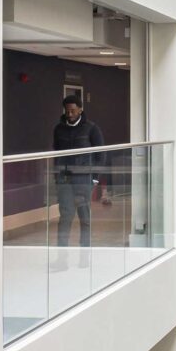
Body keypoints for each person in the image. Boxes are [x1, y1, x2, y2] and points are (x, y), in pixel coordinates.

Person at [52, 95, 105, 248]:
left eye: (73, 111)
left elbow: (100, 154)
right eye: (67, 111)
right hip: (64, 180)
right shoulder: (58, 129)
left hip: (84, 179)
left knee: (84, 217)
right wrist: (57, 177)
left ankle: (85, 256)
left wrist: (95, 178)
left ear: (80, 110)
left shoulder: (92, 128)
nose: (70, 114)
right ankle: (61, 259)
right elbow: (56, 153)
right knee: (65, 217)